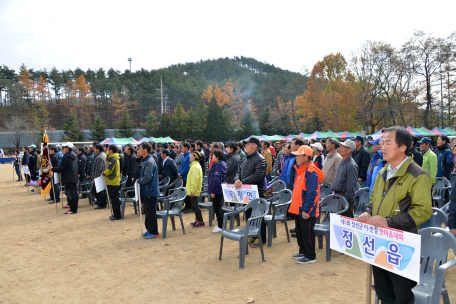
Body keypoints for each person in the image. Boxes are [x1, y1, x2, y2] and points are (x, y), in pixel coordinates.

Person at [358, 126, 432, 304]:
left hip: (401, 246)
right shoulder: (383, 172)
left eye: (387, 143)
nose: (382, 147)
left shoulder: (417, 175)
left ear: (403, 146)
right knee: (384, 292)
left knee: (402, 295)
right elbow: (373, 201)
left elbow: (423, 211)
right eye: (381, 143)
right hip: (379, 243)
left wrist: (389, 221)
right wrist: (368, 213)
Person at [289, 145, 325, 264]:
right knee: (300, 232)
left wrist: (307, 210)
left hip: (306, 209)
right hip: (298, 208)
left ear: (306, 157)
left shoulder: (311, 172)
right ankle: (303, 251)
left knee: (307, 233)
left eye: (298, 155)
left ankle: (310, 256)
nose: (296, 158)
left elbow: (312, 194)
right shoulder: (301, 170)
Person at [234, 137, 267, 247]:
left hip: (256, 192)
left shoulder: (260, 159)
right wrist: (237, 180)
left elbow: (258, 175)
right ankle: (253, 235)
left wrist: (242, 182)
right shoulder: (245, 158)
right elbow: (238, 171)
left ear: (255, 146)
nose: (246, 146)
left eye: (248, 144)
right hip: (245, 192)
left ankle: (261, 239)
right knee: (248, 214)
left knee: (258, 216)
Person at [136, 142, 160, 239]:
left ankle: (154, 232)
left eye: (139, 148)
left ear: (145, 150)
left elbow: (148, 177)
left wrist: (139, 181)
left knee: (151, 212)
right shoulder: (145, 160)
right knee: (147, 211)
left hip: (150, 190)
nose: (138, 150)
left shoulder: (149, 161)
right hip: (146, 190)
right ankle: (149, 229)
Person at [332, 139, 358, 218]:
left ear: (349, 150)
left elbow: (351, 186)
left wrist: (346, 201)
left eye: (343, 147)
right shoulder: (343, 162)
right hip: (338, 195)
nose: (340, 148)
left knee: (345, 220)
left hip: (344, 197)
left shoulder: (351, 165)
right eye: (341, 146)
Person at [51, 142, 79, 214]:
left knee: (72, 193)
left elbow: (61, 168)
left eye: (64, 148)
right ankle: (71, 205)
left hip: (68, 177)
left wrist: (52, 169)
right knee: (72, 192)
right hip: (73, 177)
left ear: (67, 149)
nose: (62, 149)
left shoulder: (66, 157)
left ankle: (73, 209)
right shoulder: (74, 155)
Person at [207, 149, 227, 233]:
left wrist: (213, 191)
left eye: (214, 155)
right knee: (218, 207)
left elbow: (216, 180)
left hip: (217, 190)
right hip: (219, 190)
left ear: (217, 157)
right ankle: (220, 225)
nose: (212, 157)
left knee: (217, 208)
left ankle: (220, 226)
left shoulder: (218, 166)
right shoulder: (221, 164)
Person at [103, 144, 121, 220]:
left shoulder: (113, 159)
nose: (107, 150)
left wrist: (103, 173)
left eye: (108, 149)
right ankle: (115, 214)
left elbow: (109, 170)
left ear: (111, 150)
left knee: (114, 199)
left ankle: (117, 215)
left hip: (112, 182)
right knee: (114, 199)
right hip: (113, 181)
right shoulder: (114, 158)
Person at [187, 151, 204, 227]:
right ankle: (198, 220)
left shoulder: (194, 166)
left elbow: (194, 180)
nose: (190, 156)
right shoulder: (195, 165)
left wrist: (193, 191)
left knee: (195, 206)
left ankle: (200, 221)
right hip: (194, 190)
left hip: (194, 190)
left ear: (195, 157)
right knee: (194, 205)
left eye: (191, 155)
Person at [90, 144, 107, 209]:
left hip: (99, 177)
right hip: (100, 177)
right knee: (100, 191)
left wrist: (95, 178)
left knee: (100, 191)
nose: (94, 150)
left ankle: (101, 204)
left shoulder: (100, 157)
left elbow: (98, 169)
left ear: (98, 149)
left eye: (95, 148)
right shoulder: (101, 155)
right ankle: (101, 203)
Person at [178, 143, 192, 213]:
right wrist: (179, 172)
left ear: (186, 148)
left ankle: (190, 207)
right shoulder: (183, 156)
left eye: (182, 147)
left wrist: (181, 173)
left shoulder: (189, 156)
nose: (181, 149)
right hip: (182, 177)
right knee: (184, 193)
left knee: (187, 193)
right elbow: (181, 166)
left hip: (186, 178)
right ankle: (187, 206)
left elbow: (187, 167)